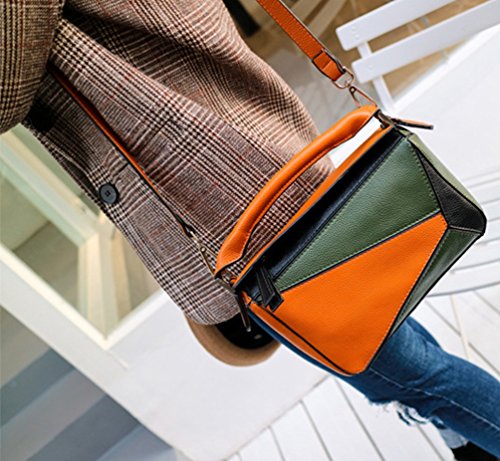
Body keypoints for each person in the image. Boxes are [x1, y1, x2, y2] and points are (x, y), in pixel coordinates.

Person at [1, 1, 499, 459]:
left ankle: (464, 427)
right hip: (239, 168)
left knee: (409, 376)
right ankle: (461, 434)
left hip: (233, 193)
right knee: (374, 331)